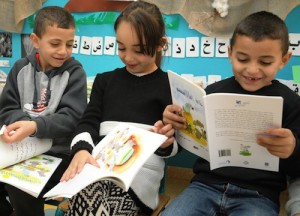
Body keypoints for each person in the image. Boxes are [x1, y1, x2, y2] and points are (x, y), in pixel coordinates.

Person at [162, 11, 300, 216]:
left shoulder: (291, 102)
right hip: (204, 186)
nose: (252, 70)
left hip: (258, 195)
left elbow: (297, 168)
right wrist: (170, 133)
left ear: (284, 60)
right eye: (243, 59)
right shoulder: (211, 93)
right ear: (230, 54)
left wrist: (293, 149)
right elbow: (184, 144)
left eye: (265, 62)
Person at [60, 1, 177, 216]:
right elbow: (89, 121)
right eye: (121, 47)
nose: (128, 57)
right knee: (84, 200)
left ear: (160, 44)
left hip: (138, 180)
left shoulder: (170, 86)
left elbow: (173, 144)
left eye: (139, 50)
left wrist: (166, 140)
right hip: (97, 169)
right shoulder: (105, 81)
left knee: (96, 207)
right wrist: (82, 149)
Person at [0, 6, 87, 216]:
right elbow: (7, 108)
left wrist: (34, 126)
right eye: (55, 44)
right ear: (36, 41)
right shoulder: (20, 68)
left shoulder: (75, 73)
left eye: (69, 44)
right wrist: (22, 124)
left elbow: (71, 118)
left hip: (58, 155)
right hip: (20, 151)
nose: (63, 51)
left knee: (20, 184)